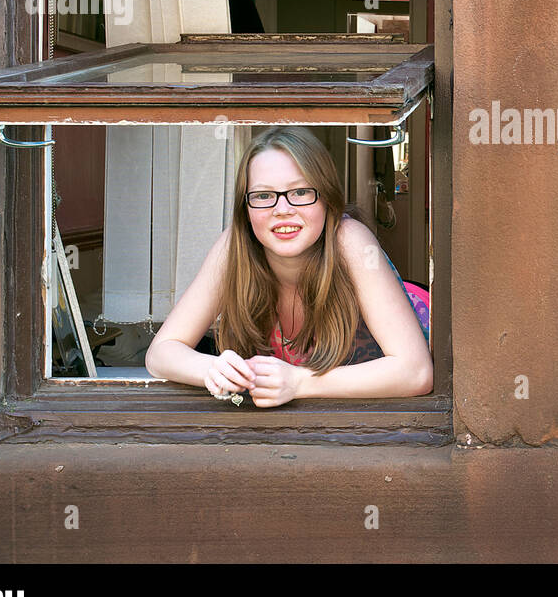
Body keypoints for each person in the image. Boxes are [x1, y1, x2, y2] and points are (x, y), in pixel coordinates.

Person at [145, 126, 433, 405]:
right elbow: (160, 354)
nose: (282, 210)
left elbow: (415, 372)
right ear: (245, 209)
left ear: (327, 199)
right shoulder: (235, 246)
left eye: (300, 192)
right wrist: (211, 369)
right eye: (263, 196)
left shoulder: (350, 240)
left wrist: (299, 382)